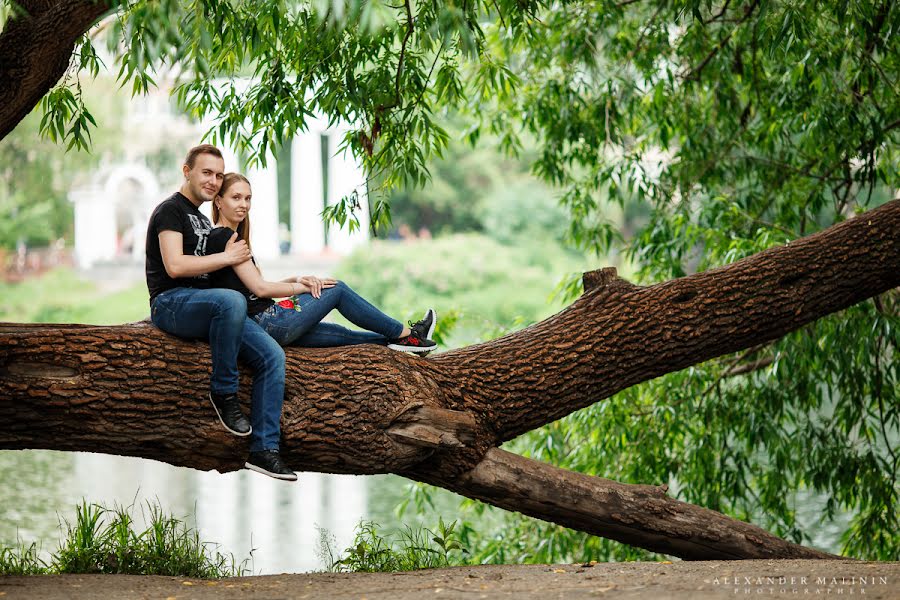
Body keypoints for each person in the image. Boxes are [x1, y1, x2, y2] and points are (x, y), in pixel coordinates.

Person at [145, 145, 297, 481]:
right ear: (187, 172)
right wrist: (227, 260)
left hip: (208, 307)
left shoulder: (202, 220)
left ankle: (263, 450)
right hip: (170, 303)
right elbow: (174, 266)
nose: (213, 180)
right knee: (230, 300)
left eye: (218, 174)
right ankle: (223, 392)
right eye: (206, 173)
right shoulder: (170, 211)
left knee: (273, 356)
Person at [206, 173, 437, 353]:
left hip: (266, 326)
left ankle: (403, 345)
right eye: (235, 197)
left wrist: (296, 279)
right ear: (218, 201)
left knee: (341, 334)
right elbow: (262, 289)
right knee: (336, 289)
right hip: (270, 323)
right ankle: (406, 333)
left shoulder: (230, 238)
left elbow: (255, 286)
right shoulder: (225, 237)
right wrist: (304, 287)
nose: (244, 204)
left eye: (247, 198)